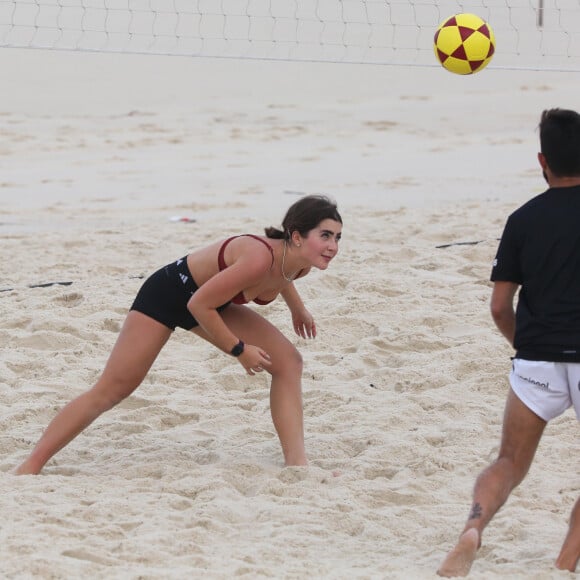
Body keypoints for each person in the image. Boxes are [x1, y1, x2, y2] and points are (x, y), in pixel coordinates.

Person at [15, 194, 343, 475]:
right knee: (112, 389)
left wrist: (297, 309)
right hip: (170, 295)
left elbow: (281, 275)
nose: (332, 246)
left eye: (338, 238)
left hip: (213, 301)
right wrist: (239, 349)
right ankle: (30, 466)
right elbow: (198, 304)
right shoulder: (258, 257)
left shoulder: (301, 261)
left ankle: (297, 465)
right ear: (297, 236)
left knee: (288, 363)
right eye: (325, 236)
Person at [437, 108, 580, 577]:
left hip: (536, 360)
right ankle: (563, 565)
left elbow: (500, 306)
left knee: (508, 463)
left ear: (543, 160)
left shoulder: (523, 219)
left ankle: (472, 531)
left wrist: (529, 345)